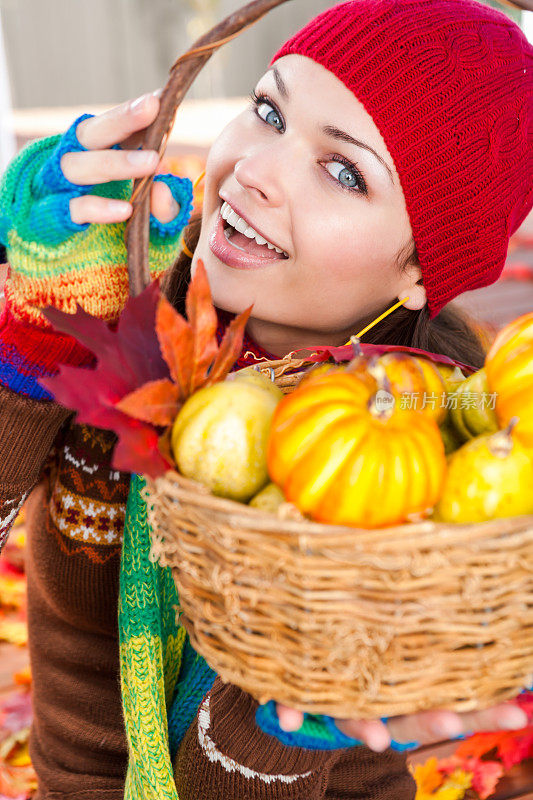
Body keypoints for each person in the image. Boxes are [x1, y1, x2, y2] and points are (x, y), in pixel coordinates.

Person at [0, 0, 531, 798]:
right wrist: (36, 316)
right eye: (267, 111)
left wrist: (290, 720)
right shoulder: (124, 305)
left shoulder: (411, 469)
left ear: (422, 270)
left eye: (343, 171)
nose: (255, 170)